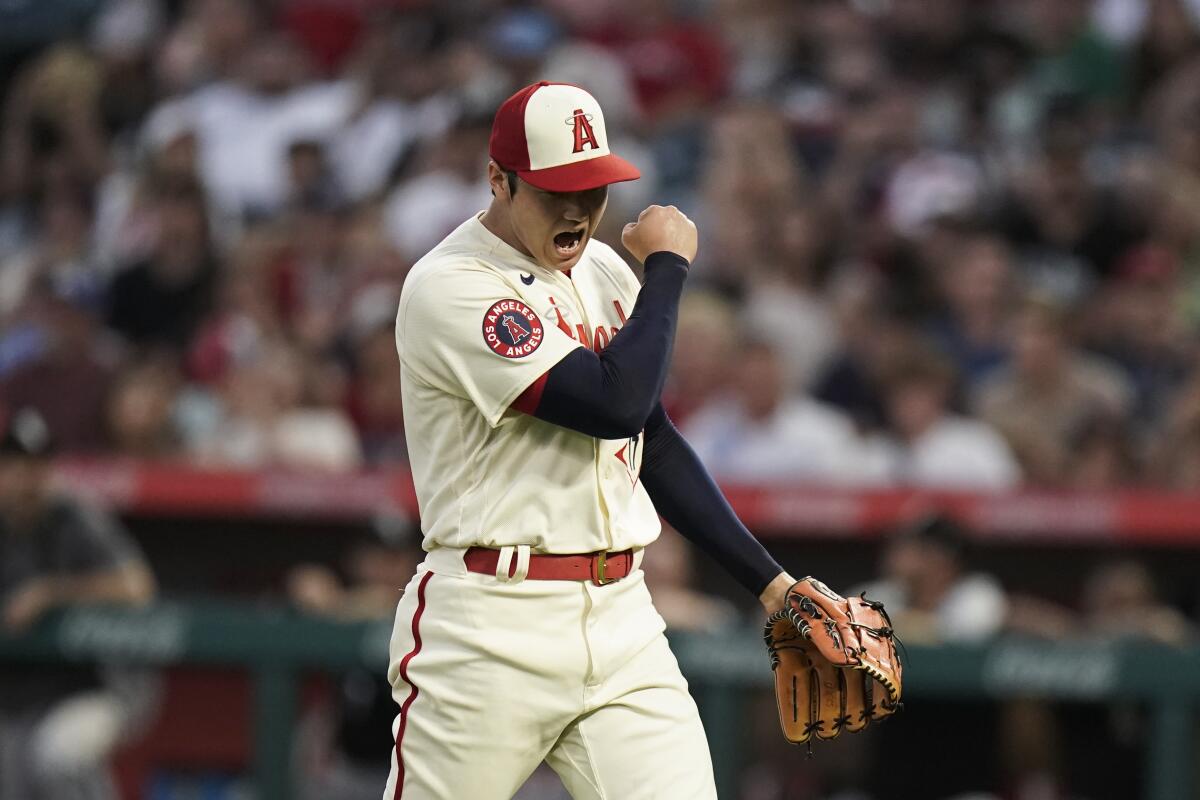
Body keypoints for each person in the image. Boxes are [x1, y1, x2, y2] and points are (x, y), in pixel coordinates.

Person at [386, 81, 802, 800]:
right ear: (499, 180)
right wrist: (669, 270)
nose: (578, 209)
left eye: (593, 188)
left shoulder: (604, 269)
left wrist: (772, 585)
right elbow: (613, 403)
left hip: (622, 616)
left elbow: (653, 439)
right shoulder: (451, 284)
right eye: (555, 191)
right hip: (490, 622)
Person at [0, 407, 157, 800]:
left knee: (60, 757)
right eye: (16, 468)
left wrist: (51, 592)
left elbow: (139, 588)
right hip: (17, 696)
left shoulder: (75, 518)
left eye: (36, 468)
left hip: (94, 684)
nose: (26, 481)